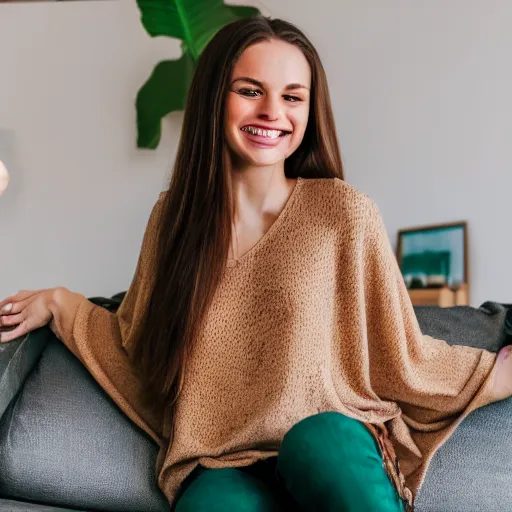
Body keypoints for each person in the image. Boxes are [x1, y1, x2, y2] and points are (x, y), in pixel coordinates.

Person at [0, 16, 511, 512]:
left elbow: (397, 348)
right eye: (250, 91)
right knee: (214, 502)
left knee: (321, 441)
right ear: (213, 99)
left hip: (329, 447)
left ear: (310, 112)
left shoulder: (342, 212)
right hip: (220, 460)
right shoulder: (172, 219)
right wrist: (63, 306)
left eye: (292, 97)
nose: (272, 111)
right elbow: (142, 349)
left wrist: (489, 377)